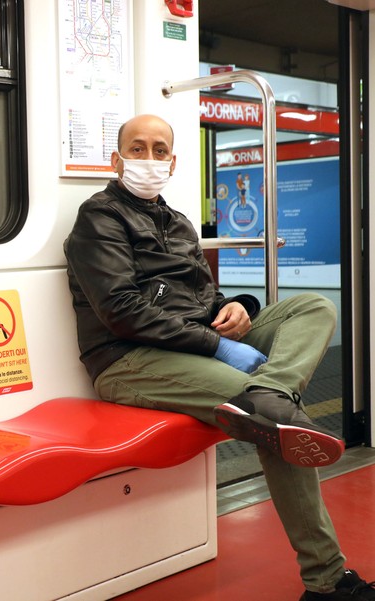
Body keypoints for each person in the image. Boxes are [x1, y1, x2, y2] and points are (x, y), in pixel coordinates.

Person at [64, 114, 374, 600]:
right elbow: (121, 311)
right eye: (138, 149)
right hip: (128, 359)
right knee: (277, 426)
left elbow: (204, 298)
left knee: (312, 306)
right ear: (116, 159)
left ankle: (271, 389)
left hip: (193, 340)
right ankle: (327, 581)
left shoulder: (178, 221)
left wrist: (235, 310)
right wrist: (218, 345)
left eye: (160, 150)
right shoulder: (99, 217)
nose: (150, 159)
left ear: (173, 160)